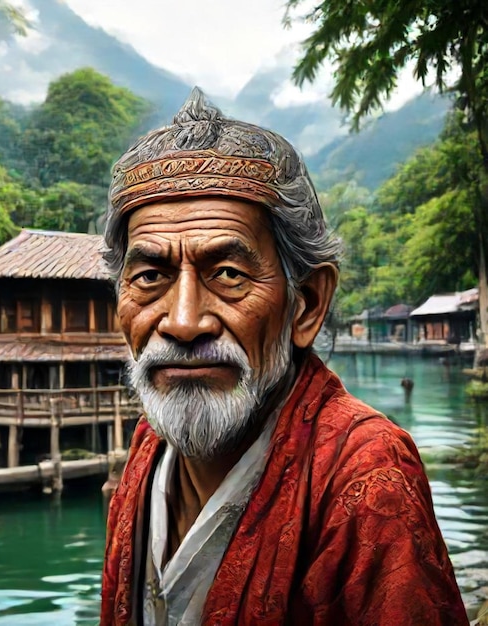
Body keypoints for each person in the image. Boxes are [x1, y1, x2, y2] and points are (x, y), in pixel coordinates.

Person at [100, 88, 468, 625]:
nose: (182, 322)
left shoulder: (365, 476)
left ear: (308, 304)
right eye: (149, 277)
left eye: (228, 275)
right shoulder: (149, 449)